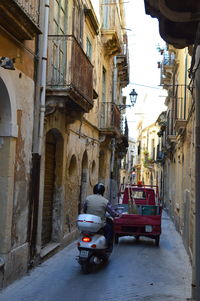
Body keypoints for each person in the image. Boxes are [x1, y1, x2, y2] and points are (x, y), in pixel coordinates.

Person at [83, 183, 120, 250]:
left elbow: (84, 209)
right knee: (109, 228)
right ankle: (108, 245)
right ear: (103, 191)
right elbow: (112, 212)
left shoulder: (88, 198)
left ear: (94, 190)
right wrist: (117, 214)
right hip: (99, 223)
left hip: (89, 222)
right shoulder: (105, 201)